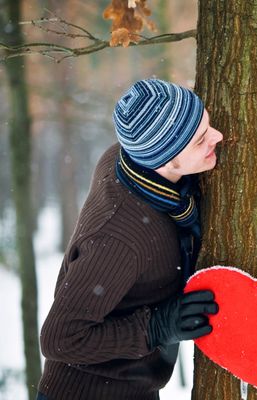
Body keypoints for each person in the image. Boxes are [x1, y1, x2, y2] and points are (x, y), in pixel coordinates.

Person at [37, 79, 223, 400]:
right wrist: (156, 327)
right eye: (200, 140)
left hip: (135, 388)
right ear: (166, 159)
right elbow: (59, 339)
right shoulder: (121, 238)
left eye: (208, 124)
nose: (218, 137)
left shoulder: (126, 160)